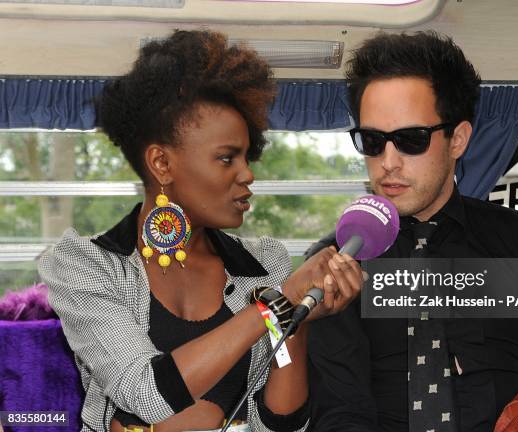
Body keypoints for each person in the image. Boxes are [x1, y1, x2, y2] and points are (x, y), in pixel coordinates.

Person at [38, 29, 364, 432]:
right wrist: (272, 306)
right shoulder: (83, 265)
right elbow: (143, 394)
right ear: (162, 163)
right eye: (227, 158)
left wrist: (295, 319)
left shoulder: (265, 262)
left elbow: (281, 424)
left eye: (248, 156)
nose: (248, 174)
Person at [305, 31, 518, 432]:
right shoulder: (336, 262)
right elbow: (340, 414)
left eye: (411, 139)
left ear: (457, 139)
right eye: (373, 140)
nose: (387, 162)